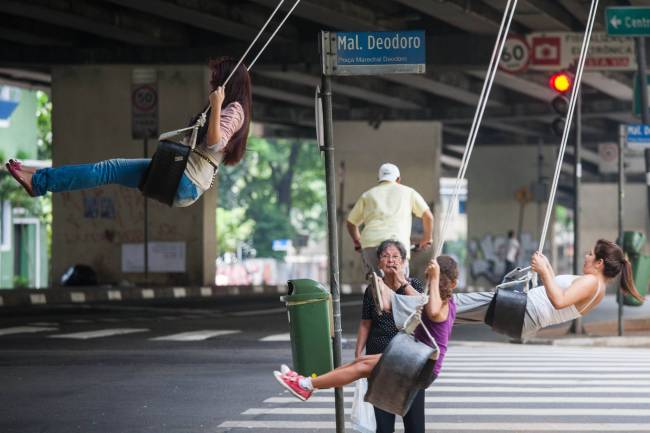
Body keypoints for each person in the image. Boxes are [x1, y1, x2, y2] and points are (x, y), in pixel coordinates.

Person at [5, 57, 251, 208]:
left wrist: (217, 105)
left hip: (185, 179)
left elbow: (216, 142)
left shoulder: (235, 109)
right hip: (184, 181)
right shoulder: (229, 107)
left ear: (229, 83)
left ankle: (39, 181)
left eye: (215, 79)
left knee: (107, 170)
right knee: (107, 171)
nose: (211, 83)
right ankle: (39, 179)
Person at [274, 251, 458, 433]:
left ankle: (306, 386)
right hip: (412, 357)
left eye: (438, 280)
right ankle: (306, 383)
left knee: (362, 368)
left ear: (451, 284)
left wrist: (434, 278)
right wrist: (398, 282)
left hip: (422, 366)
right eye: (432, 279)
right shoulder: (430, 298)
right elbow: (404, 301)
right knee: (360, 362)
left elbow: (433, 312)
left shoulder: (444, 305)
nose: (434, 283)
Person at [454, 239, 644, 338]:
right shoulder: (598, 289)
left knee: (456, 304)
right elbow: (559, 292)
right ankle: (429, 318)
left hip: (525, 310)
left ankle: (426, 306)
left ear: (599, 263)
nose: (586, 256)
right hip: (526, 316)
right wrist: (546, 266)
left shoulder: (591, 282)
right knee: (459, 314)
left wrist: (544, 271)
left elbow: (559, 301)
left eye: (590, 254)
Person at [346, 163, 433, 277]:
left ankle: (377, 290)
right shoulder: (409, 192)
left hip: (371, 244)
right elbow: (428, 216)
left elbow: (351, 222)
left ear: (379, 179)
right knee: (400, 285)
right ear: (398, 179)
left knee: (376, 283)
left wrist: (358, 241)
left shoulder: (367, 195)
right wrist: (427, 238)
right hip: (397, 245)